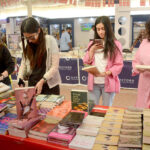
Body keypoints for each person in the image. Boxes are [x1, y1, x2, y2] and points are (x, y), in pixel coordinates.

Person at [83, 16, 123, 106]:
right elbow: (85, 62)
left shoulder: (116, 44)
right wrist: (92, 50)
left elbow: (119, 65)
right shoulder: (92, 44)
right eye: (98, 29)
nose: (100, 32)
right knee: (92, 108)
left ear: (108, 28)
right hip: (94, 83)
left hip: (107, 83)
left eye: (103, 29)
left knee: (106, 109)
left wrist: (105, 73)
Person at [18, 17, 61, 95]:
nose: (29, 40)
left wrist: (42, 80)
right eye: (26, 38)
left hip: (49, 86)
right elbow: (23, 64)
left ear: (38, 30)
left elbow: (54, 66)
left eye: (32, 37)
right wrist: (20, 78)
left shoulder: (50, 41)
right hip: (33, 84)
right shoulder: (26, 44)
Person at [132, 20, 150, 108]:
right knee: (143, 109)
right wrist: (137, 68)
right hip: (145, 82)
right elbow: (136, 60)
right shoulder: (144, 42)